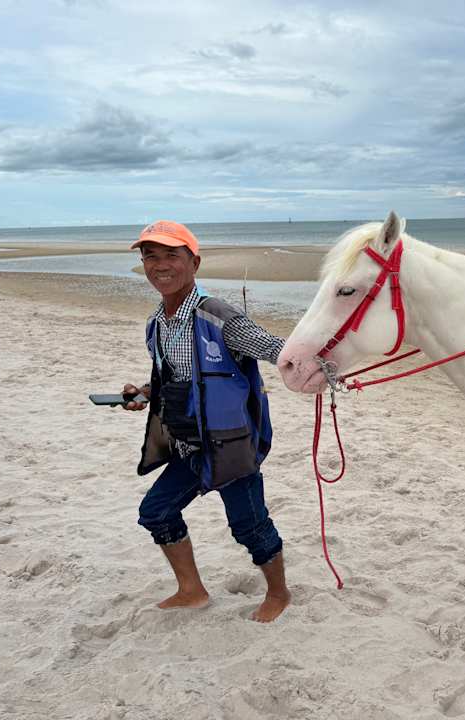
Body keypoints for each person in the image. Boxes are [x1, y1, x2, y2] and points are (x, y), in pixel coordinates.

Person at [122, 220, 291, 622]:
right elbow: (175, 376)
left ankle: (280, 594)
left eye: (171, 255)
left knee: (250, 527)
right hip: (186, 446)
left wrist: (328, 366)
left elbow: (277, 350)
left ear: (194, 262)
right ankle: (192, 590)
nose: (159, 265)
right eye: (151, 256)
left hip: (230, 446)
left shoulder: (220, 317)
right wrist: (145, 394)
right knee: (156, 512)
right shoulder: (156, 323)